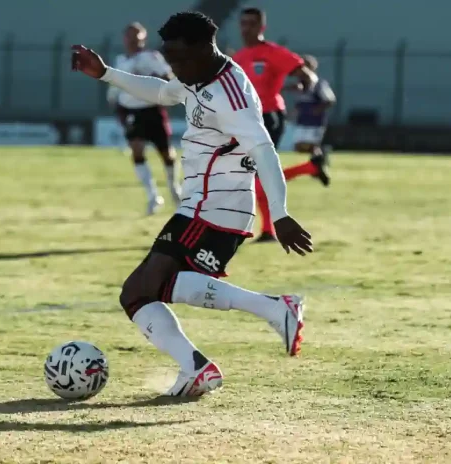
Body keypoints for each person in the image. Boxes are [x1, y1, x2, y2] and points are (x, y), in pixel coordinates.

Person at [72, 11, 311, 397]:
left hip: (218, 209)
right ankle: (218, 352)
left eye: (180, 59)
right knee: (139, 293)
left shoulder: (229, 95)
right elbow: (162, 92)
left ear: (205, 48)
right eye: (170, 59)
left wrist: (280, 213)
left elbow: (264, 150)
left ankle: (215, 353)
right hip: (197, 206)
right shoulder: (193, 77)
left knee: (140, 290)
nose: (175, 68)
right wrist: (106, 74)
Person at [233, 7, 329, 242]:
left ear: (261, 27)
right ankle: (308, 170)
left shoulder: (273, 53)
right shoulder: (239, 58)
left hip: (269, 117)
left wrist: (306, 85)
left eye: (251, 24)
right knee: (250, 174)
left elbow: (307, 74)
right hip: (245, 120)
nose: (246, 29)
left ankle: (263, 229)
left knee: (253, 173)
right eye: (243, 24)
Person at [108, 22, 182, 215]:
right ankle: (153, 196)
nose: (134, 41)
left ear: (143, 39)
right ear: (125, 39)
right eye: (130, 37)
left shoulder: (151, 57)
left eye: (137, 37)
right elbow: (115, 85)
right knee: (137, 150)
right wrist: (114, 100)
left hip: (152, 110)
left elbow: (168, 76)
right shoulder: (120, 60)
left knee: (167, 153)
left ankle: (174, 188)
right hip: (132, 112)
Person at [292, 55, 336, 164]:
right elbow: (300, 102)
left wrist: (317, 110)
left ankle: (319, 163)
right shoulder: (300, 85)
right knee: (299, 147)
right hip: (302, 120)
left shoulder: (319, 84)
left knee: (311, 145)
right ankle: (321, 155)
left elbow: (330, 99)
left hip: (315, 121)